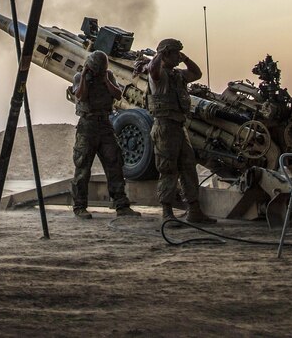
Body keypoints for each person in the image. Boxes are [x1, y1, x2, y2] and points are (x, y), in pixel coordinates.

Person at [146, 38, 213, 223]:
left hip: (179, 126)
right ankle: (167, 213)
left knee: (188, 168)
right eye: (175, 53)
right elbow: (152, 69)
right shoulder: (157, 75)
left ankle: (194, 210)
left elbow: (196, 73)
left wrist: (186, 58)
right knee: (168, 169)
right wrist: (160, 53)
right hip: (164, 127)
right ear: (166, 54)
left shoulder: (177, 75)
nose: (178, 57)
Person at [68, 51, 141, 219]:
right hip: (87, 125)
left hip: (105, 124)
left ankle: (121, 205)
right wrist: (86, 75)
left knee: (114, 163)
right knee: (83, 167)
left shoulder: (107, 75)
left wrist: (106, 80)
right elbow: (80, 95)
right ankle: (79, 206)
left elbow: (117, 95)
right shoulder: (80, 77)